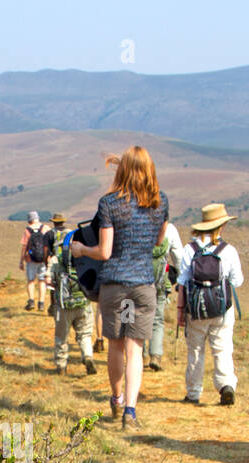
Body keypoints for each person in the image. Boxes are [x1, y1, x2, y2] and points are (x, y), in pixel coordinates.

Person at [70, 146, 170, 432]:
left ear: (123, 170)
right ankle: (131, 411)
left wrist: (80, 249)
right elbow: (158, 241)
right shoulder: (160, 202)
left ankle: (116, 399)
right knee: (135, 349)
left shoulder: (110, 203)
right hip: (142, 284)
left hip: (115, 285)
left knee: (115, 345)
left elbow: (104, 251)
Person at [176, 204, 243, 406]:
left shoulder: (190, 249)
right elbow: (237, 281)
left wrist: (180, 312)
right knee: (222, 348)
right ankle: (226, 385)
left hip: (196, 310)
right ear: (220, 226)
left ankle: (194, 393)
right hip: (222, 309)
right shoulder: (228, 250)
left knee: (195, 350)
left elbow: (182, 283)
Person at [48, 213, 97, 375]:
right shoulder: (83, 258)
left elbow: (49, 281)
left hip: (63, 305)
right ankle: (88, 356)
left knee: (61, 337)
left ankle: (61, 366)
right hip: (83, 302)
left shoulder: (56, 260)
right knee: (84, 334)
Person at [147, 220, 184, 371]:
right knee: (157, 319)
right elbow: (179, 258)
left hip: (137, 280)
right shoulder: (170, 229)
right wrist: (182, 279)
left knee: (135, 318)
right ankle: (155, 355)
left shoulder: (136, 222)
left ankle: (139, 355)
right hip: (161, 281)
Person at [18, 211, 53, 311]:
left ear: (29, 220)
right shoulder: (46, 228)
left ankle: (31, 301)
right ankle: (41, 303)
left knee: (31, 281)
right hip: (44, 259)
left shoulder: (27, 231)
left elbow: (24, 246)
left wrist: (21, 261)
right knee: (42, 281)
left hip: (31, 259)